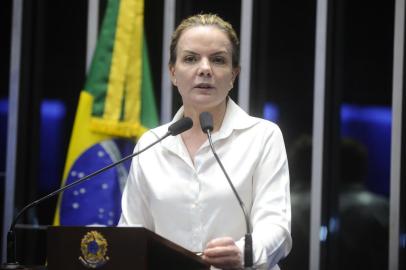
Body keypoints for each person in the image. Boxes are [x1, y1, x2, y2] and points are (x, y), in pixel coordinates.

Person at [118, 14, 292, 269]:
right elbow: (131, 233)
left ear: (233, 75)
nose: (205, 69)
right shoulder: (151, 144)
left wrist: (244, 254)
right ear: (173, 73)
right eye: (190, 58)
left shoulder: (263, 136)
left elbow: (276, 226)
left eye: (218, 60)